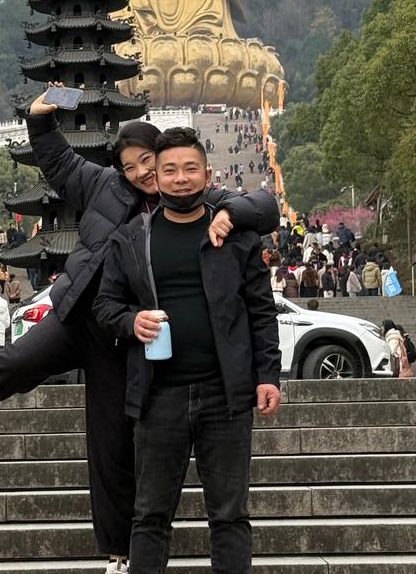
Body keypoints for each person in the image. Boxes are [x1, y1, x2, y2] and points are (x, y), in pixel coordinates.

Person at [0, 90, 277, 574]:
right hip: (76, 316)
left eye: (149, 161)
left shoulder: (192, 195)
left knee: (111, 448)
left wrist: (234, 213)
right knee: (13, 364)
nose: (144, 173)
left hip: (126, 339)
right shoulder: (104, 187)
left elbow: (264, 204)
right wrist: (41, 116)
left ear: (166, 157)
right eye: (130, 166)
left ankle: (118, 555)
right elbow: (57, 160)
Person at [94, 127, 281, 574]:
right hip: (159, 396)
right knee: (150, 516)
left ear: (208, 173)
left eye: (190, 169)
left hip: (226, 395)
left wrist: (268, 375)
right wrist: (130, 321)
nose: (181, 179)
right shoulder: (131, 239)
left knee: (230, 516)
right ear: (154, 178)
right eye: (170, 170)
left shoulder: (235, 234)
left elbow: (260, 311)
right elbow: (105, 305)